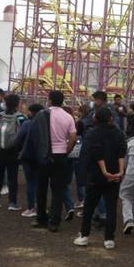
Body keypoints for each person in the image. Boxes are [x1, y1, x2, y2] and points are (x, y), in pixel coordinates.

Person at [73, 106, 126, 249]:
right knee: (111, 208)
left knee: (89, 207)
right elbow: (121, 153)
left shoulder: (92, 133)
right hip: (114, 175)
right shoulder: (119, 134)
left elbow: (96, 154)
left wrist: (104, 171)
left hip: (96, 176)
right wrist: (120, 172)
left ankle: (84, 236)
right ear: (111, 118)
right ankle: (109, 239)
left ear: (95, 119)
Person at [32, 90, 78, 232]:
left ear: (50, 100)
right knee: (58, 189)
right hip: (61, 155)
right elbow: (73, 137)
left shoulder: (41, 115)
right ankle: (55, 221)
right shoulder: (68, 117)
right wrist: (67, 150)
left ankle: (41, 218)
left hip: (44, 155)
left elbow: (35, 136)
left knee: (41, 188)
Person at [0, 93, 25, 211]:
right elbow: (24, 134)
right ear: (17, 104)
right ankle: (13, 202)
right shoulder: (20, 118)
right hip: (14, 151)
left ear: (5, 103)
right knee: (13, 177)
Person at [15, 103, 43, 217]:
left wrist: (19, 151)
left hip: (28, 156)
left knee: (31, 183)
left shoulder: (27, 124)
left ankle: (31, 207)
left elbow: (18, 139)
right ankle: (41, 207)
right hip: (42, 157)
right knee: (41, 183)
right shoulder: (46, 124)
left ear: (31, 112)